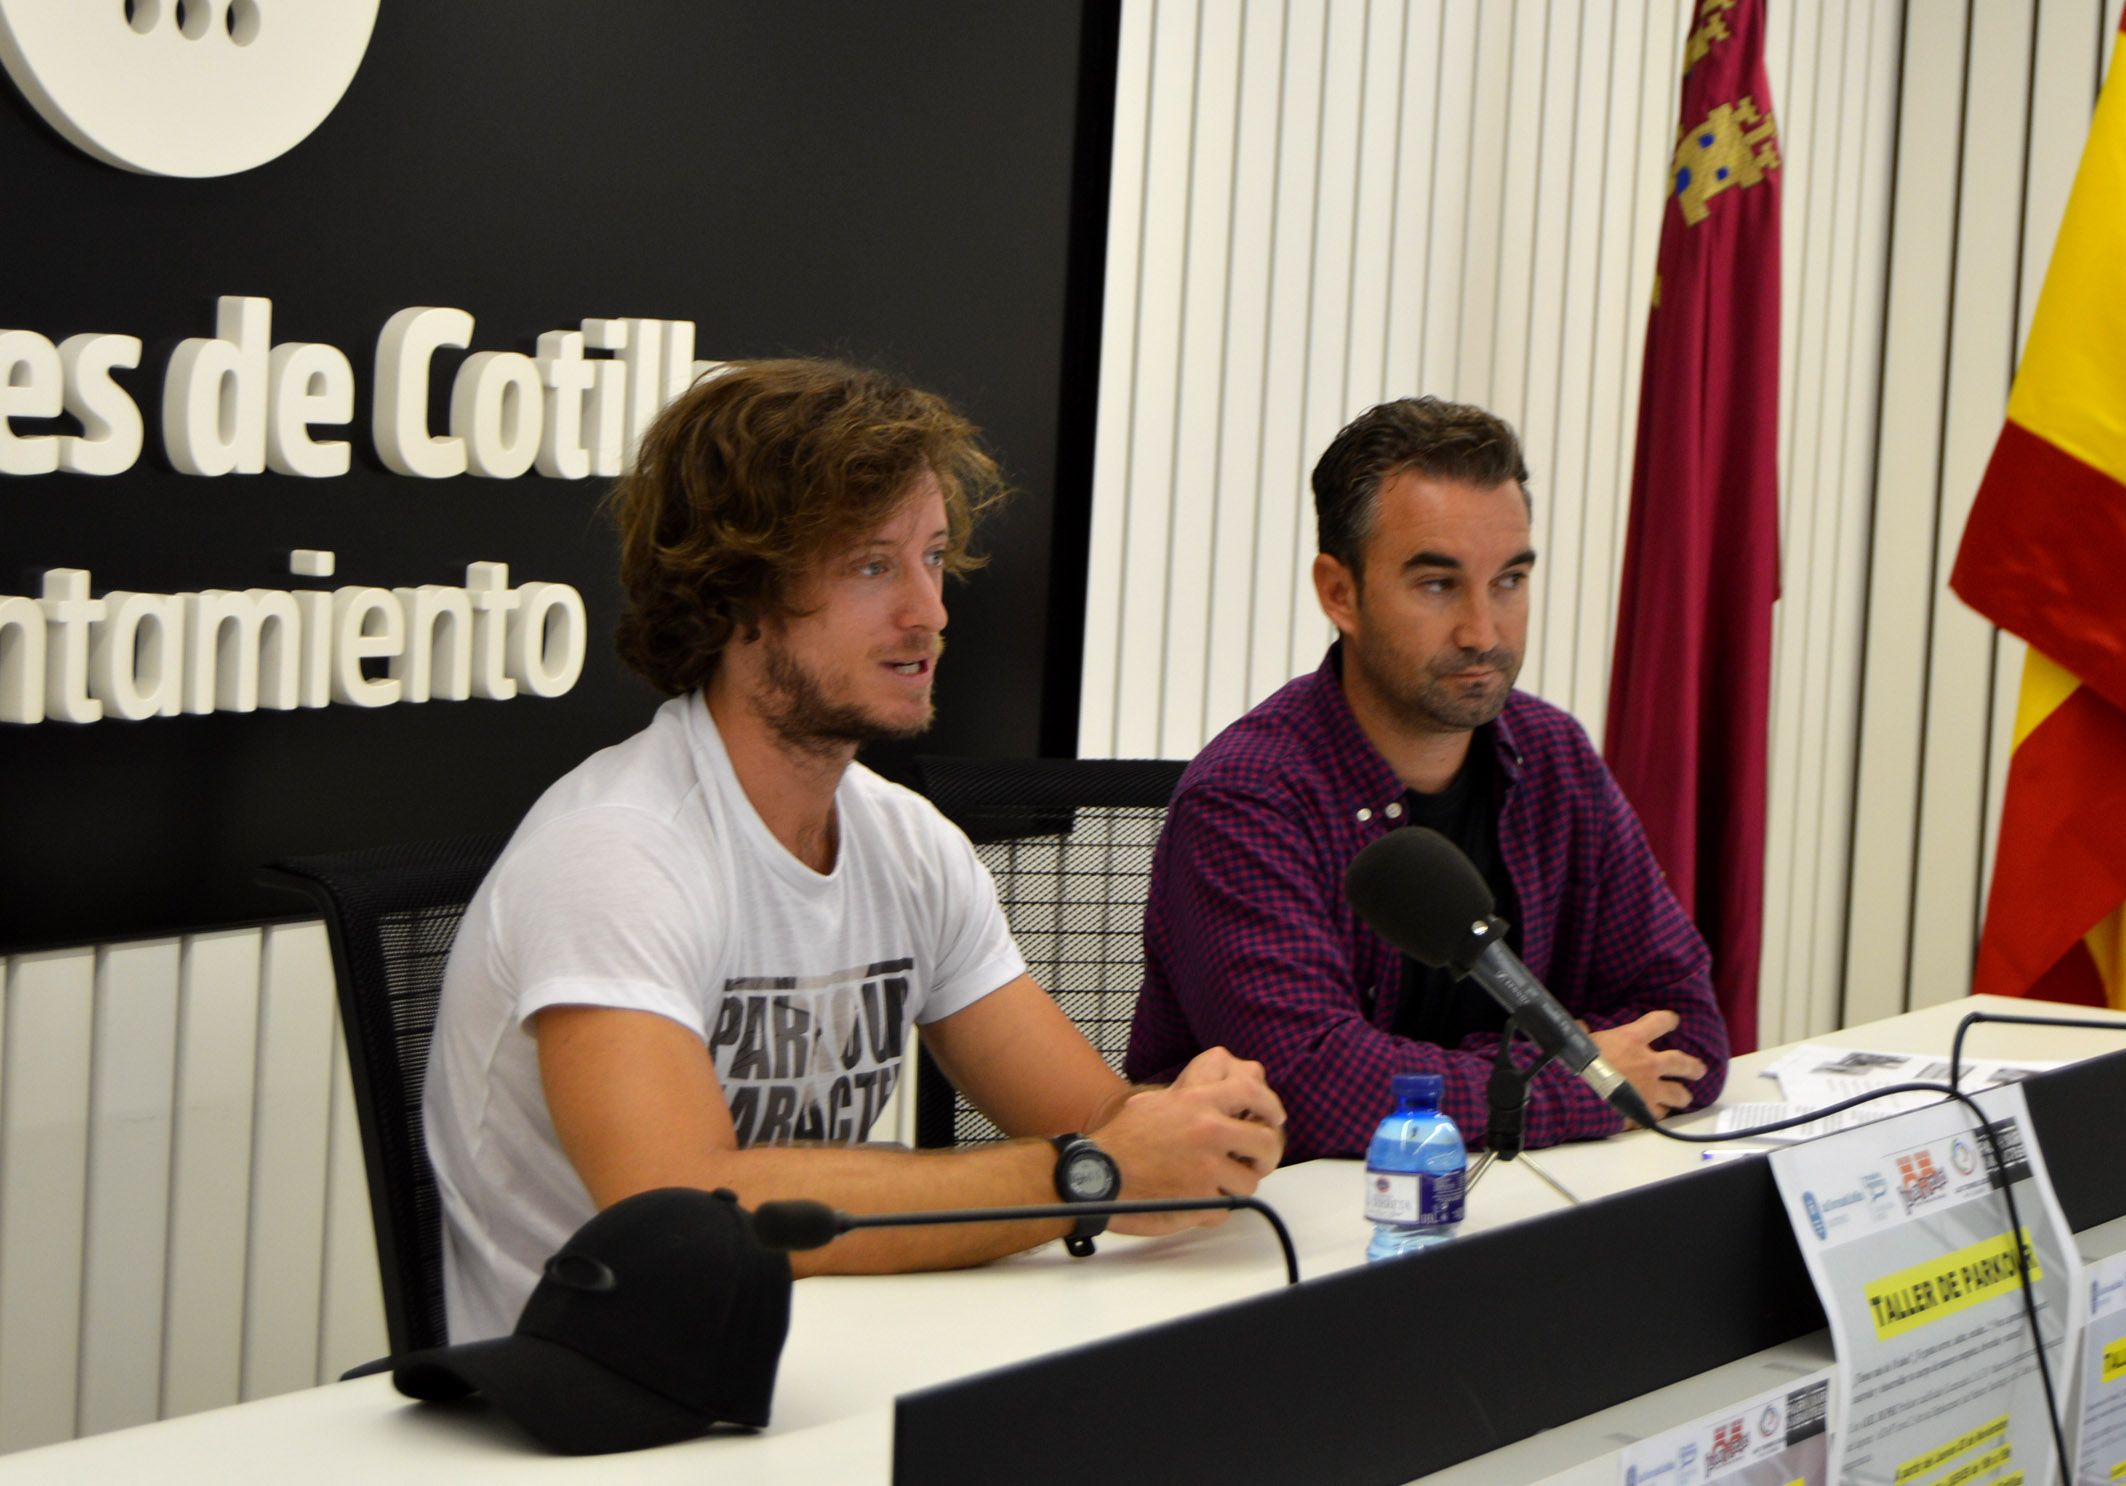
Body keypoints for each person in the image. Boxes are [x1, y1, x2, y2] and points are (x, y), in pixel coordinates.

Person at [426, 358, 1284, 1341]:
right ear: (736, 598)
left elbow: (1095, 1115)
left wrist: (1198, 1131)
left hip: (815, 1364)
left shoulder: (908, 843)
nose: (930, 610)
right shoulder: (614, 853)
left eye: (930, 556)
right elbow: (678, 1207)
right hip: (599, 1414)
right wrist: (1088, 1175)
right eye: (873, 566)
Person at [1123, 395, 1729, 1161]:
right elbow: (1315, 1094)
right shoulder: (1246, 800)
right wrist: (1565, 1076)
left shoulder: (1553, 756)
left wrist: (1442, 1078)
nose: (1484, 632)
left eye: (1509, 581)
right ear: (1339, 593)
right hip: (1296, 1243)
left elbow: (1690, 1027)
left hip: (1522, 1208)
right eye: (1438, 585)